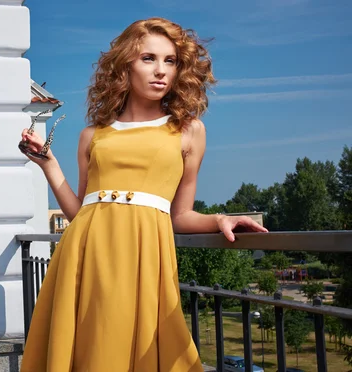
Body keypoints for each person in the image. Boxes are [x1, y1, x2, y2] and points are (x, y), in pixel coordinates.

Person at [19, 17, 268, 372]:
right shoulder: (93, 135)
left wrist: (220, 219)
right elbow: (81, 211)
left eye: (171, 61)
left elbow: (180, 215)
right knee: (91, 350)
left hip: (142, 257)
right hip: (83, 255)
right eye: (148, 58)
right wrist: (47, 164)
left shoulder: (188, 131)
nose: (161, 71)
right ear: (125, 65)